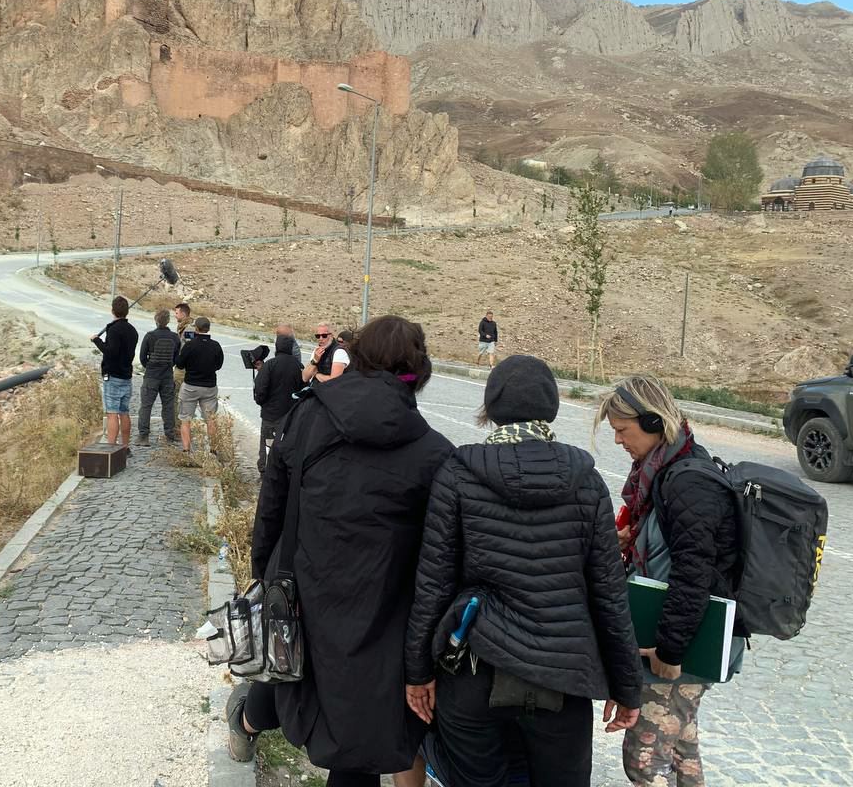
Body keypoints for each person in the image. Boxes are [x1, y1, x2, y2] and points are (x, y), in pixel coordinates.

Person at [227, 315, 455, 786]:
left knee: (285, 670)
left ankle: (245, 725)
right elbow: (437, 554)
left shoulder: (307, 415)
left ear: (357, 357)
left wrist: (264, 576)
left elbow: (272, 505)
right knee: (357, 736)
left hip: (302, 583)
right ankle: (247, 723)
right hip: (380, 609)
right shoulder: (435, 452)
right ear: (420, 373)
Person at [403, 355, 642, 787]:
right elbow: (609, 595)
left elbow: (433, 585)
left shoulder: (458, 475)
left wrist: (418, 672)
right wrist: (626, 687)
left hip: (474, 673)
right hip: (563, 680)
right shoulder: (587, 483)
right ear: (551, 407)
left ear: (491, 407)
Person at [595, 374, 744, 787]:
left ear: (653, 422)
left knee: (645, 761)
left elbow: (693, 572)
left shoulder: (686, 481)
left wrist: (670, 649)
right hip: (682, 637)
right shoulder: (669, 469)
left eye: (622, 430)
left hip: (679, 644)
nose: (618, 440)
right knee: (681, 748)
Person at [89, 295, 138, 451]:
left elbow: (111, 352)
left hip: (113, 376)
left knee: (112, 413)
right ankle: (125, 447)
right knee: (124, 412)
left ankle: (111, 449)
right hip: (126, 376)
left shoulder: (114, 330)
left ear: (112, 311)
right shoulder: (133, 330)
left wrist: (97, 341)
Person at [252, 329, 304, 472]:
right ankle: (285, 472)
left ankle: (265, 471)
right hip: (290, 415)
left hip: (271, 415)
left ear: (277, 347)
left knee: (267, 445)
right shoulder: (298, 366)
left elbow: (260, 389)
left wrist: (262, 402)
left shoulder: (269, 365)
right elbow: (303, 389)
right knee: (287, 445)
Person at [174, 316, 224, 453]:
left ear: (196, 328)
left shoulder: (190, 345)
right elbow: (219, 365)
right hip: (209, 386)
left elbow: (179, 364)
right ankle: (213, 449)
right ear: (208, 329)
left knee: (185, 419)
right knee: (210, 419)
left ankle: (186, 449)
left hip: (191, 385)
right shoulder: (216, 345)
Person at [137, 308, 182, 446]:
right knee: (168, 406)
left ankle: (143, 436)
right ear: (168, 321)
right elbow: (176, 358)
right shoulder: (175, 337)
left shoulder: (150, 336)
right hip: (167, 376)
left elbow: (142, 357)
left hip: (151, 375)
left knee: (146, 406)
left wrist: (150, 366)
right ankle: (169, 436)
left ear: (156, 320)